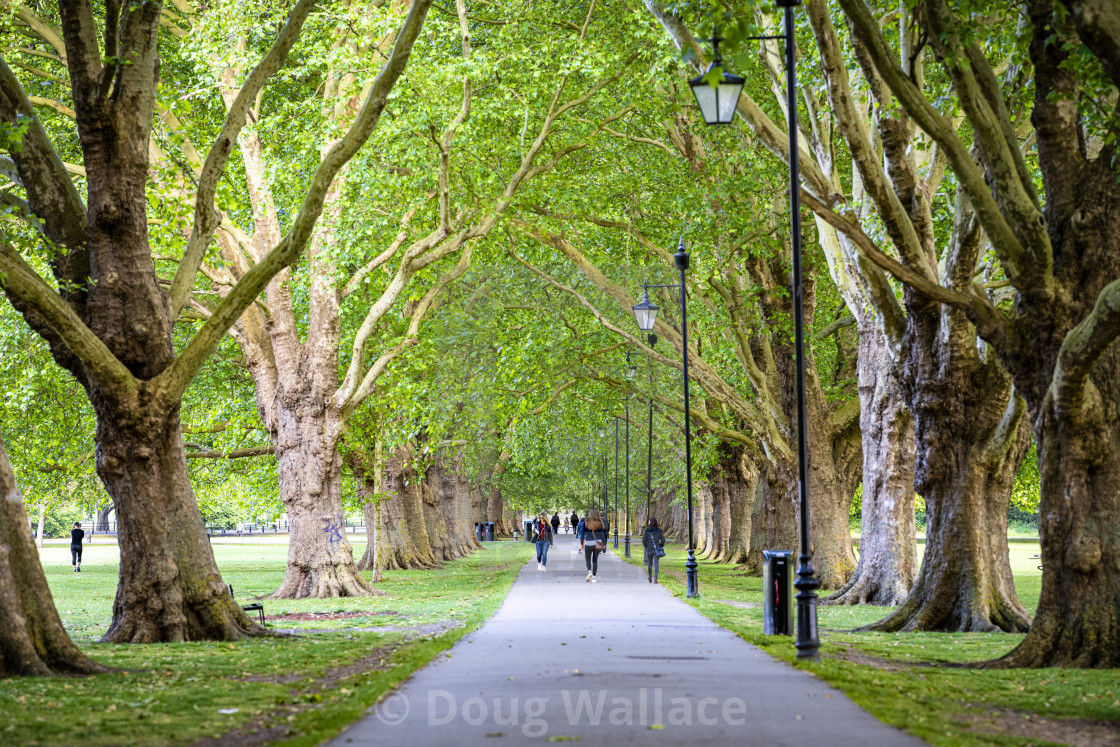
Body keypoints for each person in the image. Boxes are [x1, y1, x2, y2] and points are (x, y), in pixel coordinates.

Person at [579, 508, 608, 583]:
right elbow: (602, 534)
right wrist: (604, 543)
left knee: (587, 559)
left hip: (588, 543)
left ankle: (589, 572)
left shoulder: (586, 521)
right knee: (595, 560)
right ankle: (594, 578)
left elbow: (582, 533)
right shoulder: (599, 522)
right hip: (597, 543)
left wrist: (582, 543)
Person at [642, 517, 666, 584]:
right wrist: (660, 546)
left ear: (650, 522)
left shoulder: (647, 531)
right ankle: (655, 578)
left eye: (649, 521)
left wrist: (646, 546)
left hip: (649, 549)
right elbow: (663, 540)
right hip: (656, 550)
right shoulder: (659, 531)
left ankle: (650, 577)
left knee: (650, 563)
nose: (648, 523)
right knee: (656, 564)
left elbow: (644, 540)